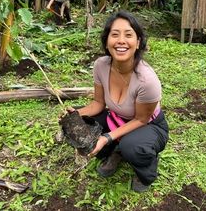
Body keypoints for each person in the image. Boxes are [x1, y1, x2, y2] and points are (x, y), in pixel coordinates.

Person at [68, 10, 169, 193]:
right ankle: (117, 151)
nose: (121, 40)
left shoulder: (147, 80)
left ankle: (146, 168)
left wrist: (107, 137)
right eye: (115, 35)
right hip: (116, 118)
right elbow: (98, 104)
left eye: (128, 35)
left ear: (138, 42)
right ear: (107, 42)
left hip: (148, 125)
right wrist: (75, 115)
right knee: (78, 121)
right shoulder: (101, 65)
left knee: (133, 146)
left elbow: (141, 120)